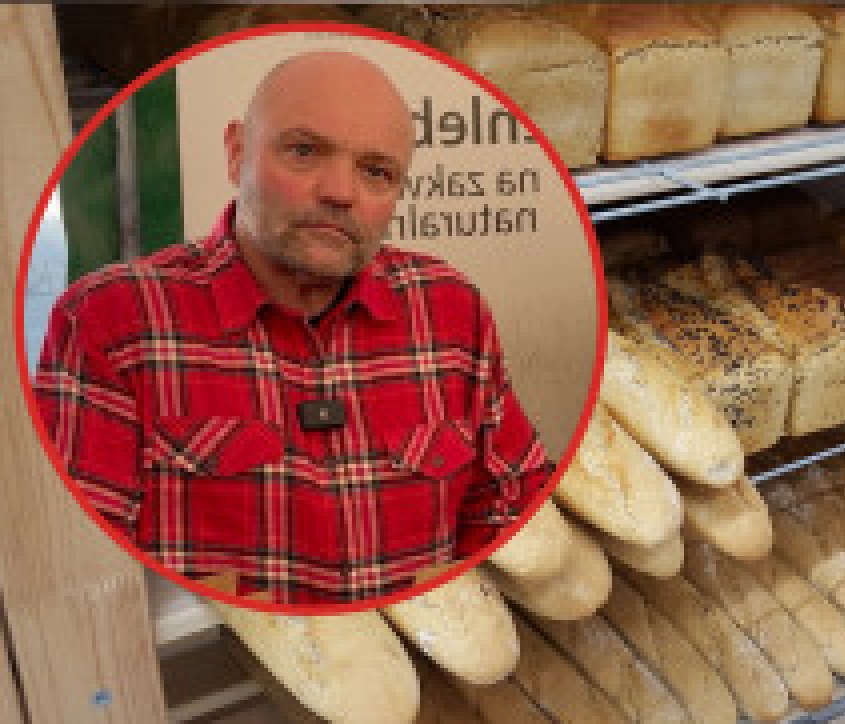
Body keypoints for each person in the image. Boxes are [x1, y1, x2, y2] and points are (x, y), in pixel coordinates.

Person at [34, 51, 552, 604]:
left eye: (375, 172)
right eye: (304, 152)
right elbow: (80, 587)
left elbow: (510, 514)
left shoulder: (451, 310)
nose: (340, 192)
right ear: (237, 154)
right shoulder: (110, 322)